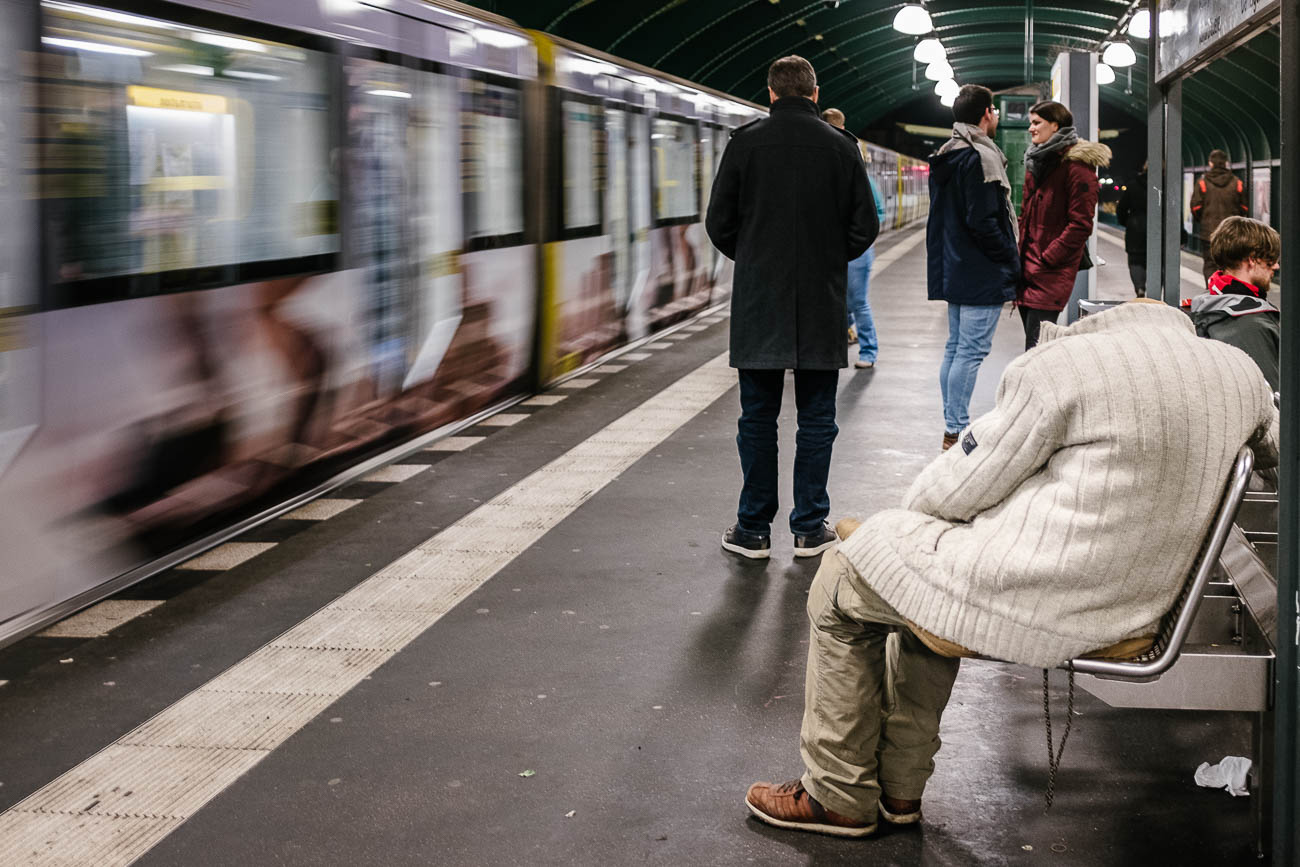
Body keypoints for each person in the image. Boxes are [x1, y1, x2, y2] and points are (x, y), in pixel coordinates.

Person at [743, 300, 1278, 838]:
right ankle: (897, 793)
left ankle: (836, 793)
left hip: (1042, 603)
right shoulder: (1239, 374)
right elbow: (1279, 447)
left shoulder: (1065, 366)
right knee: (911, 587)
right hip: (1140, 612)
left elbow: (959, 484)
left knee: (842, 576)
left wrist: (900, 528)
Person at [706, 56, 878, 560]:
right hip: (821, 298)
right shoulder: (841, 147)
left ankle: (753, 529)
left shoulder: (745, 143)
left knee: (757, 417)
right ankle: (808, 528)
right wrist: (825, 259)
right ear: (815, 94)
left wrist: (757, 257)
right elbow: (863, 225)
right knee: (817, 417)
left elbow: (719, 222)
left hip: (760, 298)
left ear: (771, 93)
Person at [925, 84, 1019, 452]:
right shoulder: (980, 156)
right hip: (980, 270)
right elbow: (984, 220)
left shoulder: (949, 152)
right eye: (994, 111)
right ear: (986, 114)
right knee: (971, 351)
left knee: (956, 349)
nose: (995, 116)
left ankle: (952, 425)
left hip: (956, 265)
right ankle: (957, 429)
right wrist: (1010, 261)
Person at [1017, 100, 1110, 350]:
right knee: (1033, 345)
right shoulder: (1038, 162)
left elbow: (1080, 225)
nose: (1031, 129)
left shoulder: (1077, 167)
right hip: (1028, 269)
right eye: (1030, 123)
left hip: (1049, 270)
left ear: (1055, 125)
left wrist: (1047, 259)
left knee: (1037, 348)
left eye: (1037, 122)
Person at [822, 107, 888, 369]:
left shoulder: (856, 167)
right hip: (831, 250)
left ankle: (869, 350)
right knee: (838, 301)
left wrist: (855, 240)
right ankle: (835, 345)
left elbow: (877, 213)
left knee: (857, 301)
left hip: (856, 252)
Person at [1190, 215, 1281, 391]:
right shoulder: (1253, 325)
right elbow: (1272, 400)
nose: (1276, 267)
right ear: (1252, 259)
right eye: (1270, 260)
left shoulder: (1203, 305)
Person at [1190, 149, 1249, 282]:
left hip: (1209, 232)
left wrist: (1203, 220)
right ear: (1226, 163)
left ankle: (1213, 291)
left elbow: (1196, 207)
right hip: (1232, 233)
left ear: (1210, 163)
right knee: (1230, 264)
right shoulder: (1237, 182)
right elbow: (1244, 207)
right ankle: (1227, 291)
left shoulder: (1203, 182)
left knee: (1210, 263)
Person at [1114, 163, 1147, 296]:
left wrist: (1127, 222)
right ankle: (1158, 292)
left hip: (1136, 229)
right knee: (1160, 262)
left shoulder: (1133, 185)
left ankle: (1139, 287)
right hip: (1160, 230)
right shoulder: (1165, 185)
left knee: (1135, 260)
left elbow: (1121, 208)